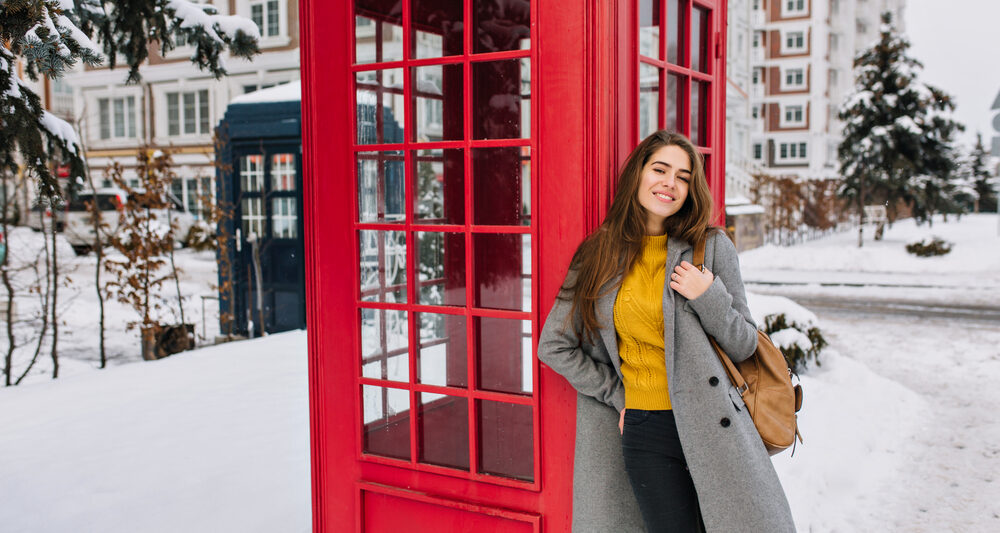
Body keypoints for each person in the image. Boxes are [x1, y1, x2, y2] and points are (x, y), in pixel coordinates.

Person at [537, 131, 795, 532]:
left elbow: (745, 343)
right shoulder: (599, 253)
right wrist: (617, 395)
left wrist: (708, 295)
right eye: (660, 169)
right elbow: (554, 345)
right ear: (638, 174)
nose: (669, 183)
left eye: (683, 176)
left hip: (712, 425)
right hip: (645, 428)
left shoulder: (710, 246)